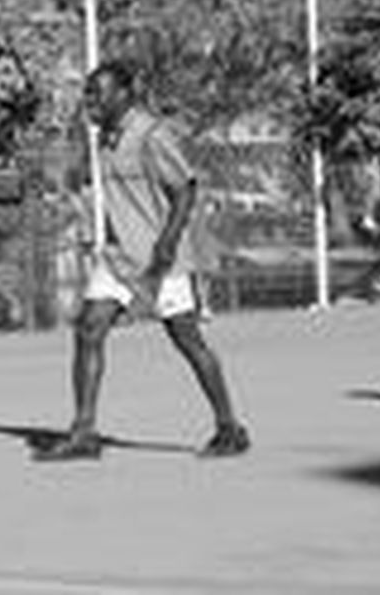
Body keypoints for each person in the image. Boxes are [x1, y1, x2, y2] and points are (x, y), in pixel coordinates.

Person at [36, 57, 250, 461]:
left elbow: (185, 190)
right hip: (120, 257)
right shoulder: (105, 137)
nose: (90, 101)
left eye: (98, 93)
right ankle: (84, 432)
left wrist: (166, 247)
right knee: (88, 328)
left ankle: (230, 428)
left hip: (161, 259)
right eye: (88, 93)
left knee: (187, 340)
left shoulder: (152, 135)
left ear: (124, 94)